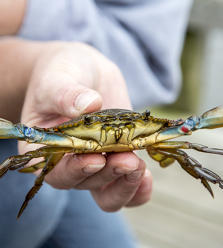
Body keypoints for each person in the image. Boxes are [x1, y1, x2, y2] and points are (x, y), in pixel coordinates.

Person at [0, 1, 192, 247]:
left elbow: (146, 54)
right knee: (32, 187)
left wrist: (42, 58)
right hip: (29, 133)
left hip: (42, 91)